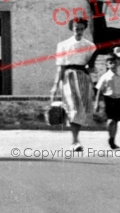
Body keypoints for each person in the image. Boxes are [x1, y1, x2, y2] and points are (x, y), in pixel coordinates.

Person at [50, 17, 97, 152]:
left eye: (81, 29)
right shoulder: (63, 45)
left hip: (83, 78)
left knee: (81, 109)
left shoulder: (89, 46)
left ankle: (76, 139)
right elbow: (61, 67)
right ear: (72, 28)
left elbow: (91, 66)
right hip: (69, 78)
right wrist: (55, 86)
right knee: (73, 107)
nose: (79, 31)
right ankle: (75, 141)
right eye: (77, 28)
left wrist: (93, 77)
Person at [95, 53, 120, 150]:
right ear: (107, 64)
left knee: (116, 121)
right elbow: (99, 91)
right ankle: (110, 137)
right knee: (111, 120)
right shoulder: (105, 77)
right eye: (111, 63)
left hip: (118, 100)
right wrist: (97, 103)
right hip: (109, 99)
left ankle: (113, 140)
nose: (113, 65)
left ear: (118, 63)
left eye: (115, 63)